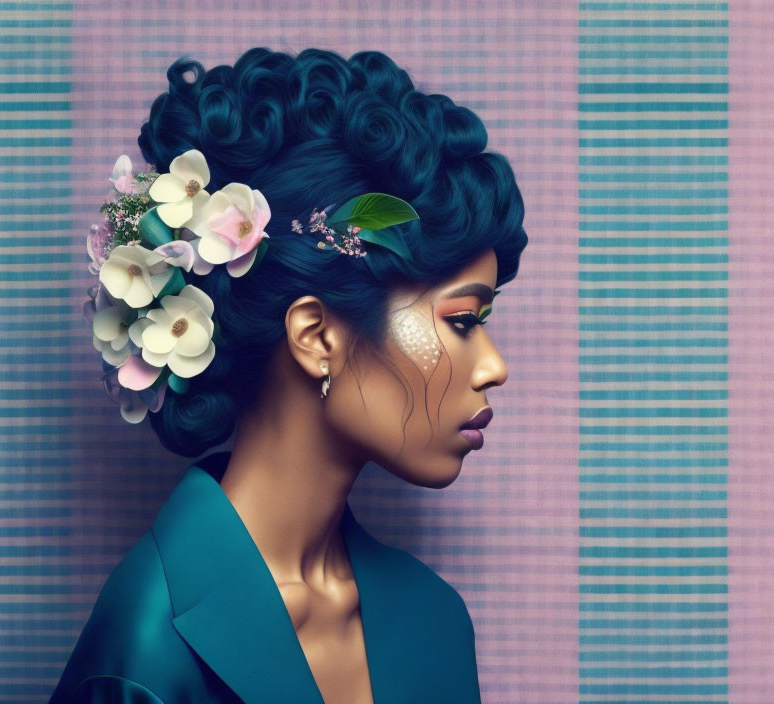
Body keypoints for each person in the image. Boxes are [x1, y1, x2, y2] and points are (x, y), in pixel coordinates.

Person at [49, 46, 527, 703]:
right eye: (464, 322)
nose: (494, 367)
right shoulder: (145, 651)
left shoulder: (433, 620)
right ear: (315, 336)